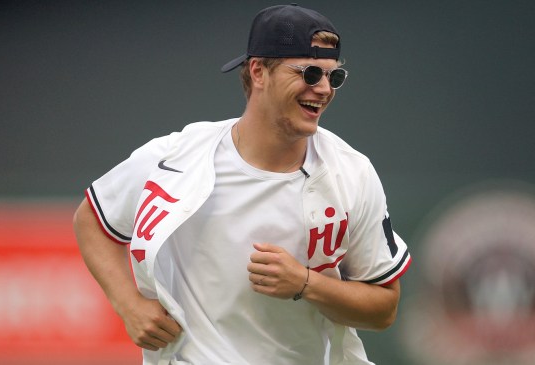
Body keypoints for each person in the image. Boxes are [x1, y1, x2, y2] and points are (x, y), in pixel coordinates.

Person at [73, 4, 411, 365]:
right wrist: (129, 305)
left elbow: (383, 309)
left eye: (334, 77)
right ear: (258, 71)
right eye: (310, 73)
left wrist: (305, 284)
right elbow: (91, 219)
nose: (324, 89)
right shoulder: (175, 156)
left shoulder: (352, 173)